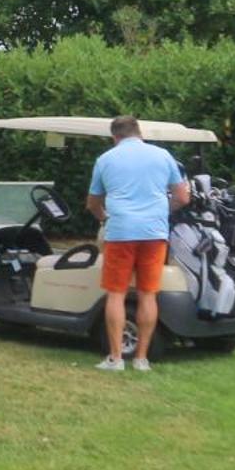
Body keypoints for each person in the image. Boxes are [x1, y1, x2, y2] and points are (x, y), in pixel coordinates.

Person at [87, 115, 191, 372]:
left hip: (121, 231)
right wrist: (160, 211)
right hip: (154, 232)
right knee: (147, 294)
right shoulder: (163, 156)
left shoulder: (106, 159)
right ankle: (142, 358)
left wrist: (104, 218)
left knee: (116, 293)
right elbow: (182, 197)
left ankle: (115, 357)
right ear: (139, 132)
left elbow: (92, 203)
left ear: (115, 137)